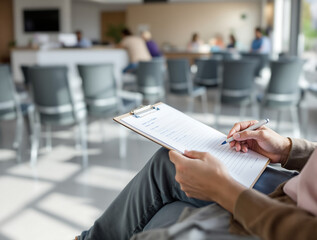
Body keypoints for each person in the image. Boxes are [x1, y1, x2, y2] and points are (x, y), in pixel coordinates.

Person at [75, 120, 317, 240]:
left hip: (290, 224)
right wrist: (287, 149)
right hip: (296, 190)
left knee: (159, 227)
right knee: (169, 159)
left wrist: (222, 189)